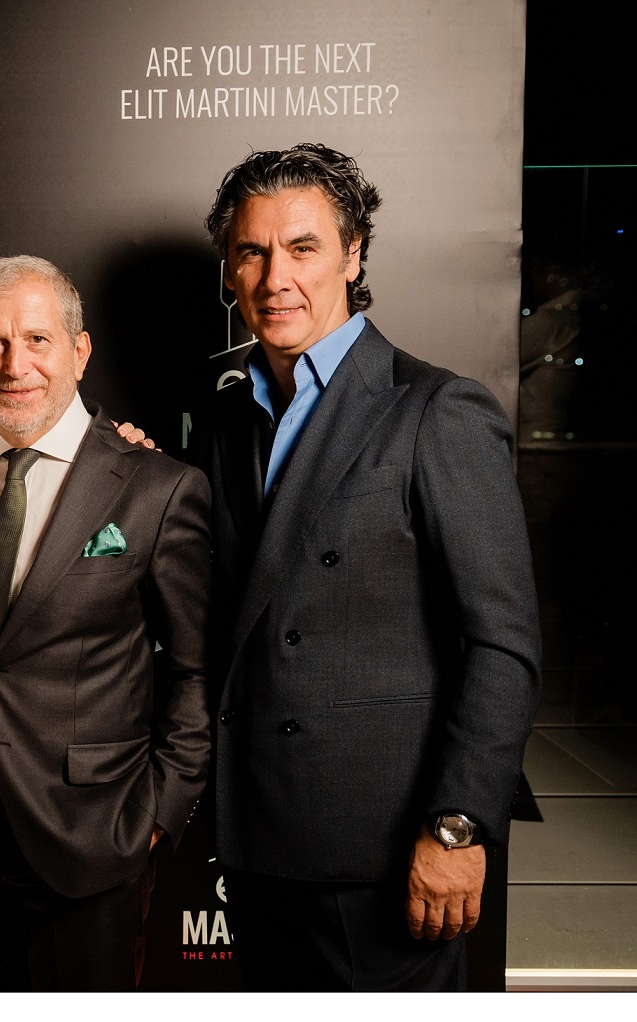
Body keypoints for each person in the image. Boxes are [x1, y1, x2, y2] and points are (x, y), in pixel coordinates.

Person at [199, 143, 542, 991]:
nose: (276, 277)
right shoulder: (227, 420)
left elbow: (502, 644)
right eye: (252, 252)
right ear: (230, 271)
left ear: (353, 256)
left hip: (386, 852)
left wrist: (459, 826)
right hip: (257, 845)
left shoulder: (437, 410)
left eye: (303, 247)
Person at [0, 255, 213, 991]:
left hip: (92, 840)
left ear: (80, 352)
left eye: (37, 340)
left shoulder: (157, 487)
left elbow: (195, 670)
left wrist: (158, 812)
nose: (14, 365)